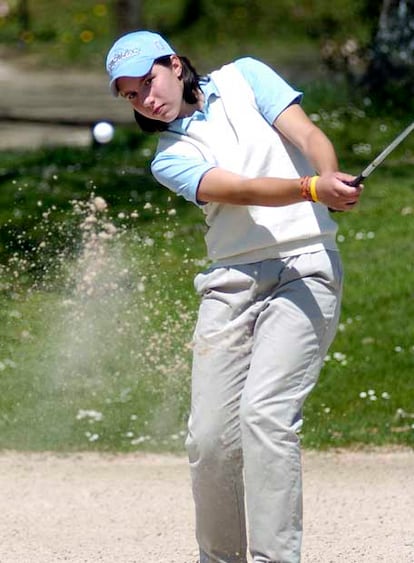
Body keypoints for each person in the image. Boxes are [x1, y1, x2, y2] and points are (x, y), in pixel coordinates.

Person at [105, 30, 362, 563]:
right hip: (231, 283)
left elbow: (308, 133)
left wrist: (326, 171)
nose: (146, 100)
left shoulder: (246, 75)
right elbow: (240, 189)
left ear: (174, 64)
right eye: (131, 95)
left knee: (265, 414)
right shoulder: (168, 156)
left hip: (305, 269)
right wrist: (313, 190)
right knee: (210, 441)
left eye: (147, 82)